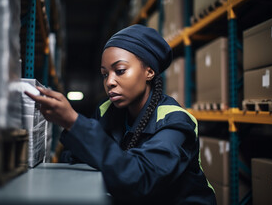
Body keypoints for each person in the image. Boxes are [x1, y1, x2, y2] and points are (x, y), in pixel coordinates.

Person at [25, 24, 216, 204]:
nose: (110, 82)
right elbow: (75, 158)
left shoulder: (175, 121)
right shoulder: (107, 110)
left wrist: (74, 122)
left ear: (149, 72)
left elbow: (143, 178)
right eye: (105, 74)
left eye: (120, 70)